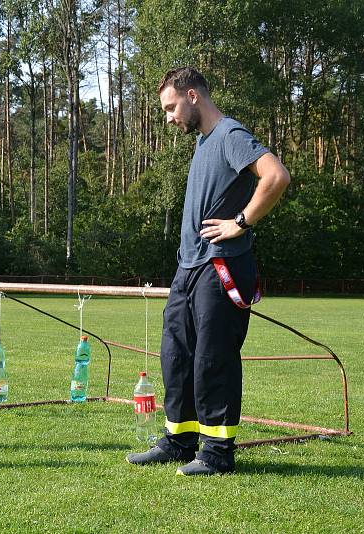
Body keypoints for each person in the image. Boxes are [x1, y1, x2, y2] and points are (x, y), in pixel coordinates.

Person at [126, 67, 291, 476]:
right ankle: (179, 440)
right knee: (176, 355)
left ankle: (217, 453)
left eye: (170, 107)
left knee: (212, 359)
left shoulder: (230, 135)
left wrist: (241, 221)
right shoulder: (202, 144)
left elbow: (277, 176)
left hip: (221, 268)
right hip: (189, 268)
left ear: (193, 96)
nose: (168, 118)